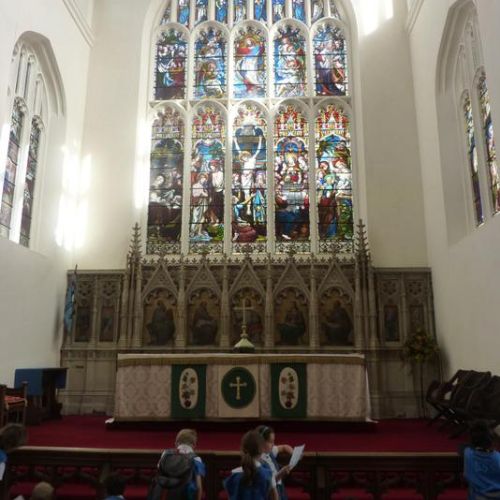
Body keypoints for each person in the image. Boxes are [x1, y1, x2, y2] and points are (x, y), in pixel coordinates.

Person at [148, 429, 205, 500]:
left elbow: (159, 471)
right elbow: (199, 486)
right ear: (194, 445)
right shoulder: (196, 459)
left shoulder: (166, 453)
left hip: (164, 494)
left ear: (176, 443)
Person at [224, 430, 278, 500]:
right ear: (261, 450)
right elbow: (275, 497)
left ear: (242, 450)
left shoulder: (234, 475)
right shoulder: (268, 474)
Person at [463, 421, 500, 499]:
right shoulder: (497, 457)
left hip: (477, 496)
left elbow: (463, 447)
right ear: (492, 441)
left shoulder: (468, 454)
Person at [256, 426, 293, 500]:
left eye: (273, 441)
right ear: (261, 442)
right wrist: (281, 473)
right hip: (270, 493)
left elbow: (284, 447)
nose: (273, 444)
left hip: (279, 487)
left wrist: (293, 453)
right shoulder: (258, 461)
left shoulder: (269, 451)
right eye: (270, 442)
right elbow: (267, 484)